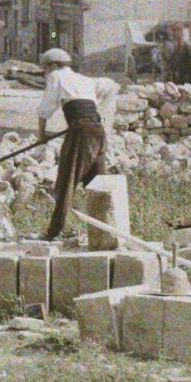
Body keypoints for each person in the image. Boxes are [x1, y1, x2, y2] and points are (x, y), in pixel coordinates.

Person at [36, 47, 118, 240]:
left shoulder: (56, 76)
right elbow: (112, 86)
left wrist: (41, 135)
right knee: (97, 181)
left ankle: (53, 231)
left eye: (46, 69)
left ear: (53, 65)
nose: (46, 73)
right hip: (97, 130)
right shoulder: (84, 79)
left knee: (67, 179)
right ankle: (109, 232)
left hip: (80, 132)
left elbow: (44, 110)